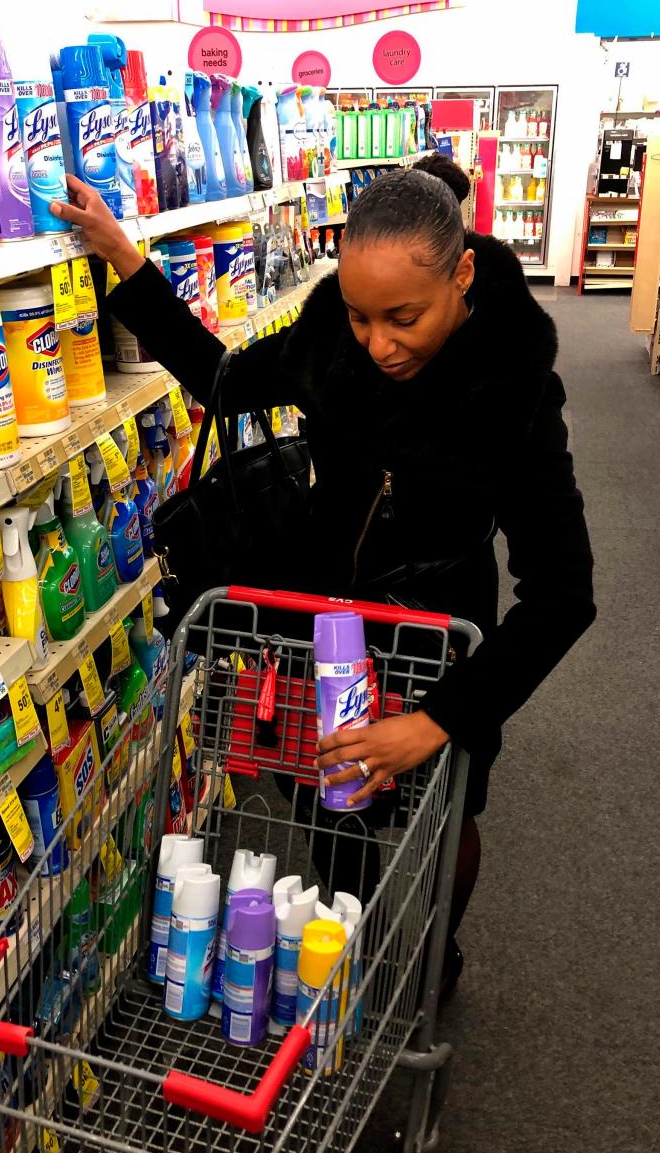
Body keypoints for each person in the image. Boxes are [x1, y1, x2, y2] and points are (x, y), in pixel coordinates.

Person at [49, 156, 595, 991]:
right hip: (321, 622)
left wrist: (439, 719)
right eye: (358, 315)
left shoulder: (514, 393)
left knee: (444, 814)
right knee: (326, 797)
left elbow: (563, 594)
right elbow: (224, 382)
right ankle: (355, 934)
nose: (377, 344)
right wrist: (127, 258)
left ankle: (430, 960)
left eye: (403, 317)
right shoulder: (332, 340)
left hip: (436, 643)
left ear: (464, 274)